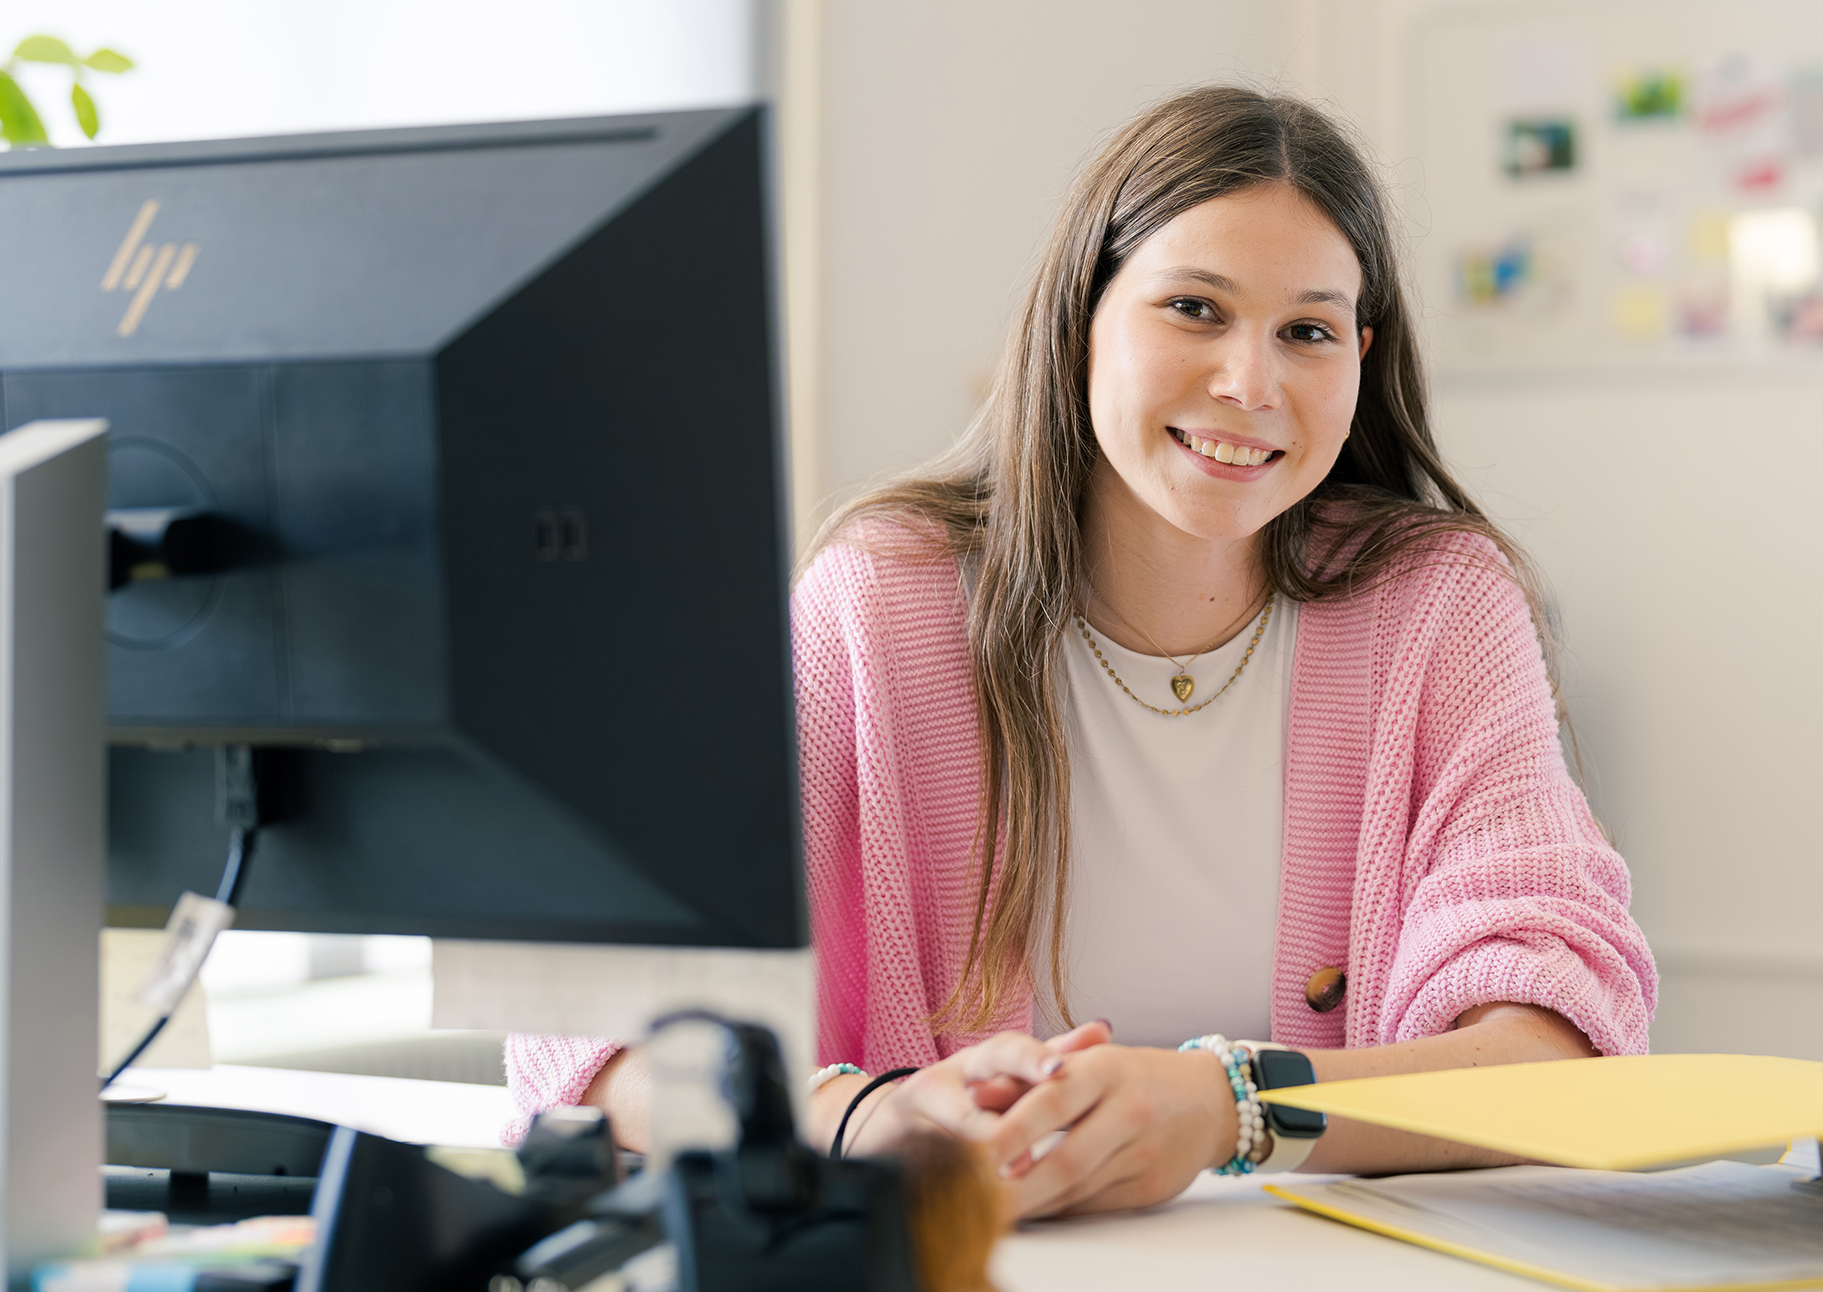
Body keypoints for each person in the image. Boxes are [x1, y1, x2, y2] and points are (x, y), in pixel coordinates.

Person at [506, 84, 1656, 1220]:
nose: (1250, 384)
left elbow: (1557, 1045)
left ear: (1359, 357)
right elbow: (591, 1035)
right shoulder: (883, 601)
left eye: (1306, 331)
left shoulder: (1439, 606)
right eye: (1195, 308)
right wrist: (865, 1116)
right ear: (1081, 315)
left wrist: (1228, 1104)